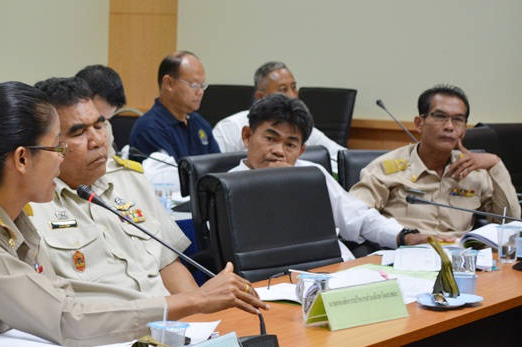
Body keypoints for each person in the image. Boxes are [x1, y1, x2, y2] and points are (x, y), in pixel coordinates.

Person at [0, 82, 266, 347]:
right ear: (21, 159)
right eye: (56, 146)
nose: (61, 158)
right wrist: (194, 300)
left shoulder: (13, 219)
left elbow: (62, 302)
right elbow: (68, 319)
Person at [30, 77, 197, 300]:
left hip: (169, 317)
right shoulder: (32, 204)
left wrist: (201, 311)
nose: (98, 140)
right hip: (107, 320)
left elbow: (168, 265)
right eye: (79, 133)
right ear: (49, 143)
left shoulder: (130, 179)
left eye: (99, 126)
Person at [230, 95, 446, 258]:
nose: (279, 151)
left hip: (334, 269)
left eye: (290, 145)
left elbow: (359, 219)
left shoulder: (312, 175)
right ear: (247, 136)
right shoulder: (228, 188)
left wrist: (405, 235)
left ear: (301, 150)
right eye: (270, 139)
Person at [350, 84, 520, 237]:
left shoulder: (474, 173)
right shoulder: (384, 168)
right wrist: (403, 237)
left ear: (464, 130)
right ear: (419, 124)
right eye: (440, 116)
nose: (449, 126)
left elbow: (509, 224)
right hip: (403, 253)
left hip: (461, 256)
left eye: (458, 120)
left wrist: (496, 165)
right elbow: (355, 217)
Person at [213, 61, 345, 173]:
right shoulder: (229, 127)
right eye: (283, 89)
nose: (292, 95)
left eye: (294, 87)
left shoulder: (298, 129)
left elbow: (342, 157)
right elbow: (213, 168)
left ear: (301, 150)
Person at [129, 51, 220, 161]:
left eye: (202, 85)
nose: (200, 92)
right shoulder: (150, 128)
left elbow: (219, 165)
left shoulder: (199, 123)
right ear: (169, 83)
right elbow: (169, 171)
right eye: (194, 85)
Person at [75, 64, 127, 153]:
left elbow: (109, 160)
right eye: (95, 122)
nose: (100, 126)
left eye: (104, 120)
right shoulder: (56, 128)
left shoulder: (105, 126)